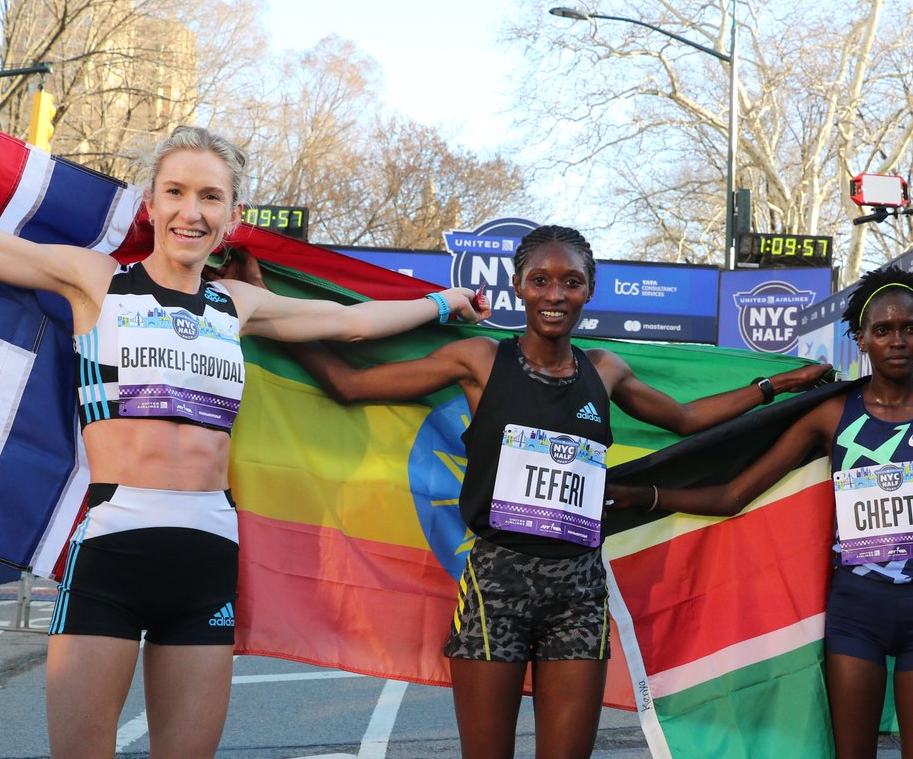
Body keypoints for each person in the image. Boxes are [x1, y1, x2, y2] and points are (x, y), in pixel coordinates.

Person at [0, 105, 489, 759]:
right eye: (175, 192)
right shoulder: (94, 283)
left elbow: (352, 325)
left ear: (232, 218)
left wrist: (443, 302)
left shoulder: (237, 306)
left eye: (209, 197)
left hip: (207, 562)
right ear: (151, 203)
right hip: (112, 552)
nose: (190, 211)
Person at [265, 225, 830, 759]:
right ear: (519, 287)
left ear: (590, 290)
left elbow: (684, 419)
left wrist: (776, 385)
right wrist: (265, 310)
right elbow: (348, 385)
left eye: (570, 282)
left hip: (579, 591)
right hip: (495, 585)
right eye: (540, 280)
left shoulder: (604, 369)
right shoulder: (481, 360)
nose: (554, 294)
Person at [609, 266, 913, 759]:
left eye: (909, 329)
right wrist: (646, 496)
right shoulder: (831, 415)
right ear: (860, 339)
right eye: (883, 330)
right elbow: (733, 495)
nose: (897, 340)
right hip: (855, 616)